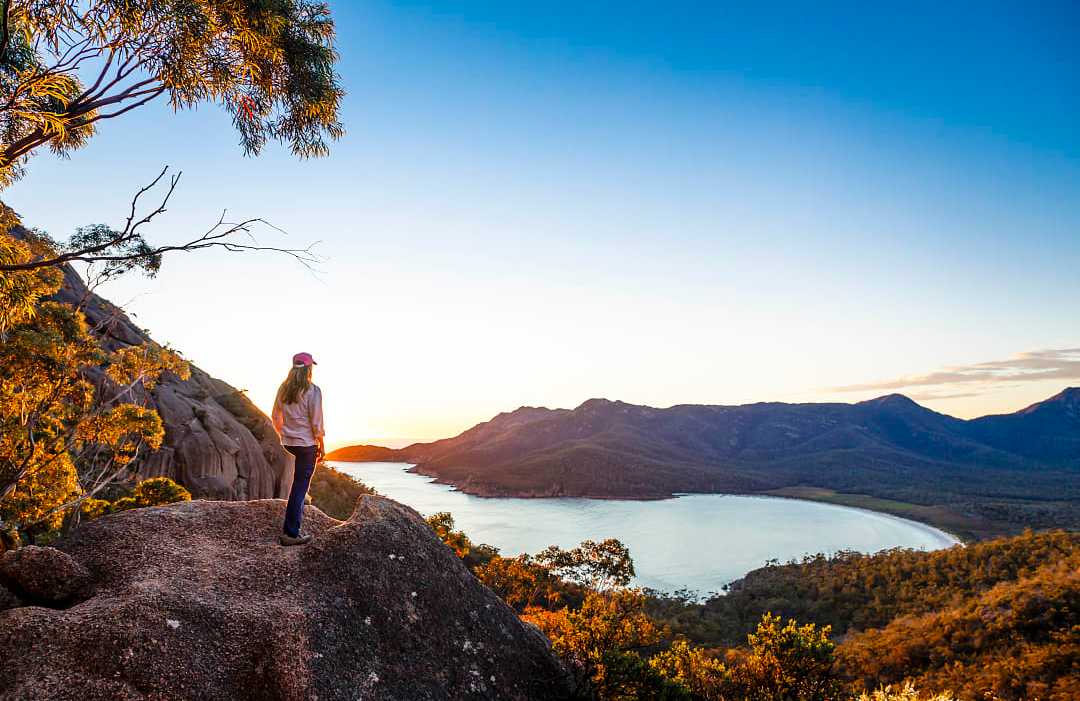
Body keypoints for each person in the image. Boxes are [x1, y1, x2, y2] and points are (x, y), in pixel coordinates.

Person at [271, 352, 325, 546]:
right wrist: (322, 445)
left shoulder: (283, 389)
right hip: (306, 444)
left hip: (289, 442)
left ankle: (299, 508)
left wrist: (284, 434)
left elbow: (275, 416)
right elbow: (317, 423)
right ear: (309, 368)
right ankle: (291, 534)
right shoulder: (313, 390)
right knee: (300, 485)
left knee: (299, 483)